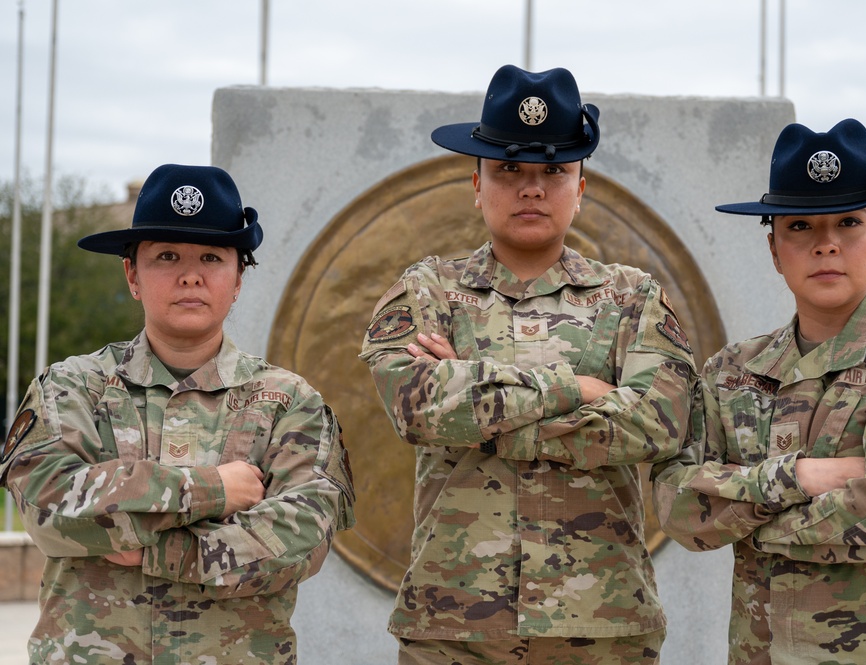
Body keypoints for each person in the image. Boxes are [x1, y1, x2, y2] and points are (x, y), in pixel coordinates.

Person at [360, 64, 698, 664]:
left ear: (580, 188)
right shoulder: (429, 290)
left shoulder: (632, 298)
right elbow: (418, 408)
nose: (532, 188)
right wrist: (582, 389)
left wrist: (477, 398)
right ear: (477, 183)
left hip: (602, 626)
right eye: (509, 169)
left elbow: (657, 424)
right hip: (453, 628)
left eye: (554, 171)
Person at [654, 118, 866, 665]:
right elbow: (676, 507)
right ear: (773, 250)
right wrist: (803, 476)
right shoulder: (730, 373)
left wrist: (743, 506)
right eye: (801, 227)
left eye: (849, 222)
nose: (826, 245)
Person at [0, 164, 356, 664]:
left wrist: (156, 551)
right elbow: (49, 508)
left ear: (238, 280)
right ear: (132, 275)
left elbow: (302, 540)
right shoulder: (72, 388)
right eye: (167, 255)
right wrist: (213, 490)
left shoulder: (289, 403)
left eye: (211, 256)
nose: (190, 274)